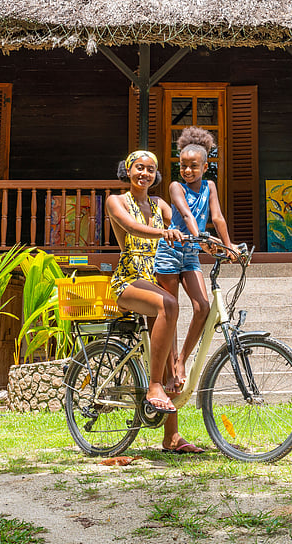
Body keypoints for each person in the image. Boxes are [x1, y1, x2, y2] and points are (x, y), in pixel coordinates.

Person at [105, 149, 201, 453]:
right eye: (138, 168)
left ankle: (171, 437)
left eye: (150, 170)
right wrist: (163, 232)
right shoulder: (116, 201)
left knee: (171, 355)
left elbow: (182, 223)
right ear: (128, 170)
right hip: (129, 279)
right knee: (169, 304)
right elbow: (132, 228)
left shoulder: (160, 204)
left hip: (156, 278)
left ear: (155, 175)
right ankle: (153, 385)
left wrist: (205, 236)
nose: (144, 174)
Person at [153, 127, 238, 397]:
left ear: (205, 165)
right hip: (170, 251)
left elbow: (218, 217)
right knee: (172, 312)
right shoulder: (175, 187)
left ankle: (181, 362)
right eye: (183, 165)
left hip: (189, 255)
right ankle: (171, 373)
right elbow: (187, 216)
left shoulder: (210, 186)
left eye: (193, 166)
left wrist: (228, 245)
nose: (187, 171)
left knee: (202, 306)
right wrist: (203, 240)